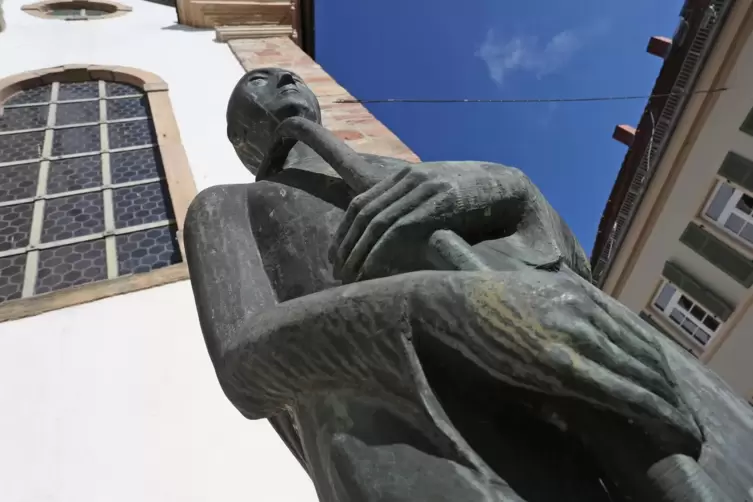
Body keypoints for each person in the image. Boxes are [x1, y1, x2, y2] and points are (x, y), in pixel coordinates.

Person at [184, 69, 734, 502]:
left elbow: (573, 267)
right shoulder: (228, 205)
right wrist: (437, 313)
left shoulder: (425, 170)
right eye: (257, 80)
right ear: (240, 138)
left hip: (593, 355)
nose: (284, 80)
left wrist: (510, 187)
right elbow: (243, 362)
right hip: (416, 423)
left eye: (290, 75)